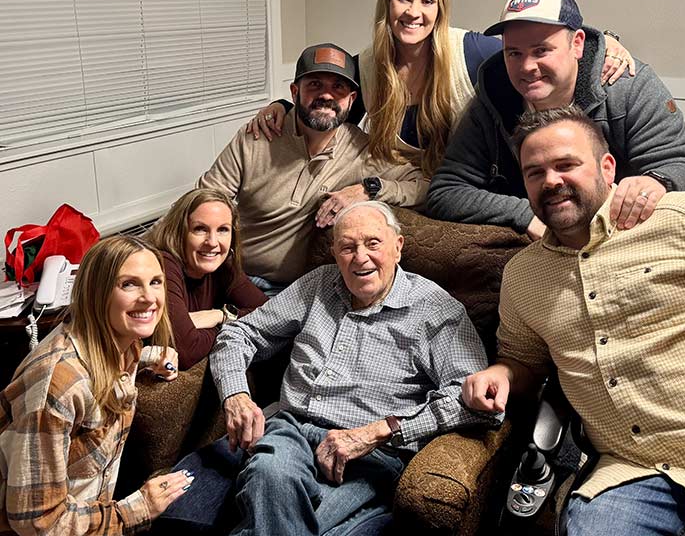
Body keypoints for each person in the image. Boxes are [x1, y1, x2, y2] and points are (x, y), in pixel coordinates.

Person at [462, 106, 685, 535]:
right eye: (535, 172)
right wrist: (500, 373)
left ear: (607, 167)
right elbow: (524, 361)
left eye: (566, 165)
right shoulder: (523, 276)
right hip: (635, 473)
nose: (551, 181)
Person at [164, 201, 500, 535]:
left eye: (373, 243)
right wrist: (236, 395)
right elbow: (241, 333)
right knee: (269, 470)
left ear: (398, 247)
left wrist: (379, 431)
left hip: (371, 453)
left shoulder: (436, 310)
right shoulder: (318, 284)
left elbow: (474, 402)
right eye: (348, 247)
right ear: (335, 253)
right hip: (291, 430)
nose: (360, 257)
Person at [247, 0, 634, 177]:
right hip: (399, 190)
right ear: (387, 4)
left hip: (464, 186)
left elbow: (537, 46)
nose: (413, 12)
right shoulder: (366, 66)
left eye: (427, 1)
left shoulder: (471, 51)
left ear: (440, 9)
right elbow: (327, 105)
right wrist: (281, 107)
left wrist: (606, 42)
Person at [426, 0, 685, 238]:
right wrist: (528, 215)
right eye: (514, 53)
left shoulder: (630, 88)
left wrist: (654, 183)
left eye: (541, 50)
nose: (527, 67)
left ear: (577, 44)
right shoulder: (492, 98)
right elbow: (446, 191)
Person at [0, 236, 193, 535]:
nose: (149, 297)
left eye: (155, 282)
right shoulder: (58, 386)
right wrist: (140, 507)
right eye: (129, 284)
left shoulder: (124, 344)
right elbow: (38, 522)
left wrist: (150, 356)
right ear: (96, 292)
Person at [198, 42, 425, 294]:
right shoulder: (258, 135)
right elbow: (203, 200)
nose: (326, 95)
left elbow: (423, 185)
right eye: (315, 84)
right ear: (295, 92)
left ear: (351, 100)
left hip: (288, 290)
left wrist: (367, 189)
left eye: (338, 87)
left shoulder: (362, 150)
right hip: (228, 271)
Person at [147, 188, 268, 370]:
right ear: (179, 233)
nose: (212, 242)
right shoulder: (163, 265)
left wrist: (220, 316)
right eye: (200, 229)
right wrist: (228, 327)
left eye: (223, 230)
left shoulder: (224, 265)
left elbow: (270, 314)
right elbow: (187, 351)